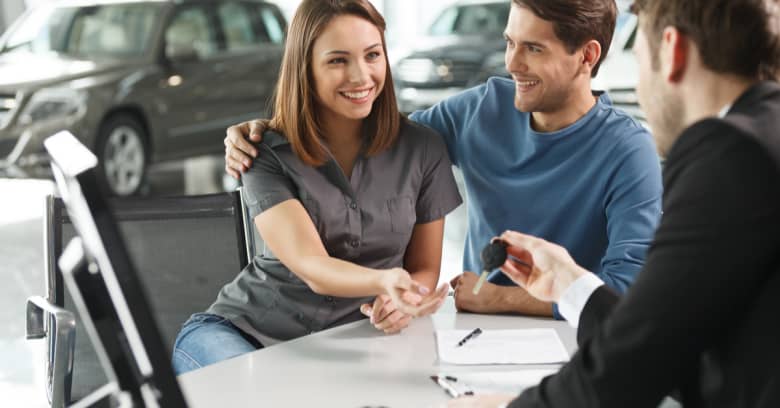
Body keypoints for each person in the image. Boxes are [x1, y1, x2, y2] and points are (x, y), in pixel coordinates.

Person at [223, 0, 663, 327]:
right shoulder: (477, 111)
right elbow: (372, 134)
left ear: (587, 56)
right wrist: (270, 130)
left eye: (533, 49)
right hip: (475, 333)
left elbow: (627, 291)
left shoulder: (629, 150)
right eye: (510, 42)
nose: (512, 63)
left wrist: (499, 299)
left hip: (575, 339)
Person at [448, 0, 780, 406]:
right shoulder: (765, 134)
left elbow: (633, 367)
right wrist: (569, 283)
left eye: (639, 62)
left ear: (672, 51)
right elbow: (667, 335)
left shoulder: (729, 154)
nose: (641, 87)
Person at [171, 0, 462, 375]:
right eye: (338, 60)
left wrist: (402, 301)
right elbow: (311, 264)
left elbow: (423, 268)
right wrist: (383, 279)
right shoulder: (264, 152)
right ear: (304, 69)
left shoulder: (423, 148)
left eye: (372, 55)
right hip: (243, 334)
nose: (361, 76)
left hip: (349, 343)